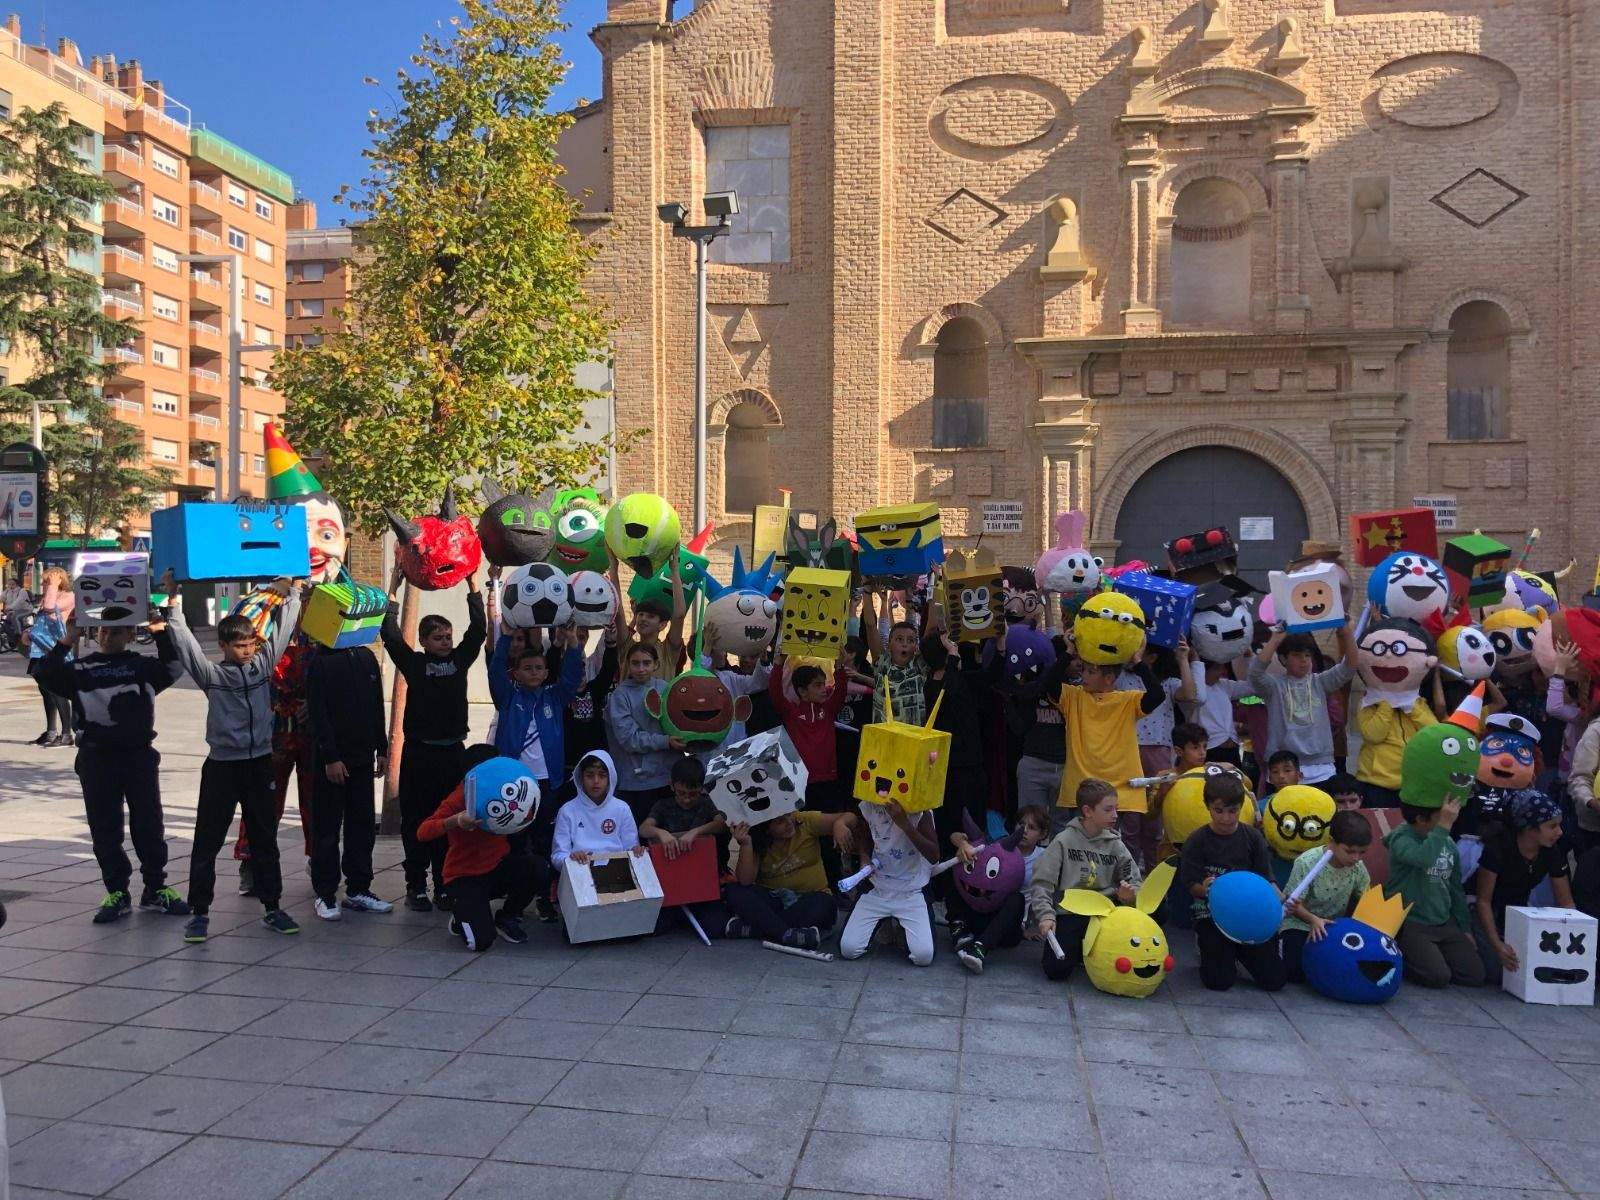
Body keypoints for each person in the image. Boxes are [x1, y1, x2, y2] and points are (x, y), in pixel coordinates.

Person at [164, 574, 304, 942]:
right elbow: (185, 645)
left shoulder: (262, 667)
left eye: (251, 644)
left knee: (265, 839)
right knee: (207, 840)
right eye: (240, 645)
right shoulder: (211, 675)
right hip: (222, 767)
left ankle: (272, 907)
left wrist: (293, 592)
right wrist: (173, 599)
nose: (247, 651)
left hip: (259, 764)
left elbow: (283, 630)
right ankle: (199, 913)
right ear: (224, 645)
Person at [37, 608, 189, 923]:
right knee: (105, 827)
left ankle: (155, 889)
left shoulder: (143, 667)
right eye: (103, 630)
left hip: (138, 756)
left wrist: (160, 629)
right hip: (96, 758)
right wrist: (68, 638)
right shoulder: (80, 669)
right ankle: (117, 890)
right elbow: (45, 674)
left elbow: (174, 666)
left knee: (149, 824)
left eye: (116, 631)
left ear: (131, 634)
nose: (108, 636)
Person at [381, 566, 486, 913]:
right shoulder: (414, 664)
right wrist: (393, 591)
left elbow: (479, 630)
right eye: (438, 637)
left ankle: (444, 884)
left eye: (447, 636)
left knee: (448, 821)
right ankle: (416, 886)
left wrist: (473, 585)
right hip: (419, 755)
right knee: (416, 821)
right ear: (424, 641)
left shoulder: (459, 660)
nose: (445, 641)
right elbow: (391, 636)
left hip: (452, 754)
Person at [417, 746, 540, 952]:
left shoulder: (503, 791)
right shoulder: (460, 796)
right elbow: (423, 832)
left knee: (537, 868)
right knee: (480, 942)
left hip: (496, 867)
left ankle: (507, 916)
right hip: (464, 876)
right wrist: (455, 820)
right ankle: (460, 916)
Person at [306, 637, 391, 921]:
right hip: (333, 760)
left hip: (363, 757)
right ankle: (325, 892)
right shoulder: (320, 662)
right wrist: (330, 756)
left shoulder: (366, 657)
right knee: (328, 827)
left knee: (362, 823)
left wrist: (382, 747)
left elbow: (376, 704)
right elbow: (318, 714)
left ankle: (358, 888)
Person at [1178, 769, 1286, 992]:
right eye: (1219, 811)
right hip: (1210, 913)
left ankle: (1240, 952)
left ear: (1241, 808)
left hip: (1248, 913)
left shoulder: (1253, 837)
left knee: (1275, 981)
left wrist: (1278, 895)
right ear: (1208, 806)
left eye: (1232, 811)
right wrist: (1203, 888)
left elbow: (1265, 877)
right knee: (1218, 982)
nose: (1225, 818)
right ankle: (1214, 950)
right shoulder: (1197, 840)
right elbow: (1189, 882)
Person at [1055, 657, 1166, 865]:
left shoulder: (1128, 700)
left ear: (1109, 678)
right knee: (1079, 850)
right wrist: (1066, 651)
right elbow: (1049, 686)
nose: (1084, 676)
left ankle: (1109, 893)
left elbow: (1157, 695)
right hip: (1081, 789)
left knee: (1106, 849)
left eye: (1091, 672)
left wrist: (1137, 662)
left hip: (1117, 789)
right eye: (1084, 670)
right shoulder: (1073, 696)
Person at [1030, 782, 1141, 982]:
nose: (1115, 815)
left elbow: (1134, 882)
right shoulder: (1063, 841)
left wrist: (1130, 898)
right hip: (1071, 913)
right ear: (1088, 811)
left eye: (1116, 808)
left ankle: (1089, 951)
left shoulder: (1116, 845)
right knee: (1056, 970)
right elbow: (1042, 883)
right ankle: (1081, 950)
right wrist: (1046, 916)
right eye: (1108, 809)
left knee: (1160, 912)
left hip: (1106, 913)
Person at [1384, 795, 1485, 988]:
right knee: (1438, 977)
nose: (1450, 819)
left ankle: (1431, 956)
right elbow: (1424, 858)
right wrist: (1443, 826)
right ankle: (1402, 954)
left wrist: (1465, 928)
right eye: (1443, 815)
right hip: (1412, 922)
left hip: (1442, 921)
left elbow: (1455, 889)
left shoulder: (1447, 843)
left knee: (1474, 975)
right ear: (1421, 819)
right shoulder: (1402, 838)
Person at [1473, 791, 1574, 985]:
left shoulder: (1551, 852)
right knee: (1497, 973)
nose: (1559, 832)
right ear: (1529, 828)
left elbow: (1566, 902)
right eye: (1552, 826)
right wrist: (1497, 945)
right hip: (1486, 912)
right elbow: (1483, 901)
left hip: (1519, 912)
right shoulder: (1498, 848)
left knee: (1529, 969)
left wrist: (1569, 946)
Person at [724, 809, 861, 950]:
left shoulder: (804, 821)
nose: (789, 823)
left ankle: (758, 929)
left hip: (808, 899)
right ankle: (786, 934)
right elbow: (746, 880)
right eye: (780, 822)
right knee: (735, 890)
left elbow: (852, 817)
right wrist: (746, 844)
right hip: (775, 900)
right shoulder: (758, 840)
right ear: (767, 830)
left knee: (826, 904)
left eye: (788, 815)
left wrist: (840, 823)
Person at [949, 803, 1052, 974]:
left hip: (1009, 927)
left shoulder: (1043, 857)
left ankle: (980, 948)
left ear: (1042, 834)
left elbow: (1045, 891)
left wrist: (1032, 926)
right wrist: (962, 843)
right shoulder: (999, 847)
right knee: (960, 871)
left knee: (1016, 897)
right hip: (982, 913)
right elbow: (955, 836)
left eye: (1032, 828)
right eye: (1021, 824)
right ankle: (958, 928)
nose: (1024, 830)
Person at [1248, 625, 1356, 786]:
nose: (1304, 660)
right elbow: (1255, 673)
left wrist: (1347, 633)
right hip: (1283, 769)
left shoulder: (1320, 682)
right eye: (1297, 655)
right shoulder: (1273, 686)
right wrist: (1275, 639)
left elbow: (1350, 667)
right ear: (1284, 659)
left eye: (1307, 655)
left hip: (1321, 768)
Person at [839, 799, 941, 966]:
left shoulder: (921, 811)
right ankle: (883, 924)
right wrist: (865, 858)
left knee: (923, 956)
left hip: (911, 890)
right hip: (878, 887)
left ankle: (902, 927)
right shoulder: (870, 804)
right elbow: (864, 836)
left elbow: (934, 854)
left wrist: (905, 824)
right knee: (849, 949)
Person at [1278, 810, 1372, 981]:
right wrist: (1313, 919)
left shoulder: (1358, 867)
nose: (1356, 858)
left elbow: (1366, 898)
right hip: (1300, 923)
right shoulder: (1307, 862)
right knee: (1293, 971)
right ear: (1332, 842)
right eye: (1350, 851)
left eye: (1362, 852)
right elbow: (1293, 903)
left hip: (1333, 928)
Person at [768, 652, 851, 812]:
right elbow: (775, 693)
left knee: (828, 827)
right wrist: (779, 663)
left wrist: (839, 666)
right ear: (803, 691)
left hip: (829, 778)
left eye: (824, 683)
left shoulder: (828, 710)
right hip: (801, 780)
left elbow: (840, 691)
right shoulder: (791, 712)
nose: (824, 689)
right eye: (817, 685)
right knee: (805, 827)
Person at [551, 750, 641, 872]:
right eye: (589, 775)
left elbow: (631, 849)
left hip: (618, 873)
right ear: (580, 778)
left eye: (602, 775)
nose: (596, 781)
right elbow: (557, 856)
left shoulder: (622, 808)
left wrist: (637, 851)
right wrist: (571, 859)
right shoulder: (567, 810)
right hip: (580, 872)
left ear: (610, 778)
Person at [639, 755, 727, 863]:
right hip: (672, 862)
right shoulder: (663, 805)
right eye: (681, 793)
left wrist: (696, 831)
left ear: (702, 787)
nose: (687, 799)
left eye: (693, 794)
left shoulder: (707, 802)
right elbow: (643, 829)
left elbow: (722, 824)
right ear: (671, 785)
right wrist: (661, 833)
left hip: (703, 861)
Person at [24, 566, 73, 746]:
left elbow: (50, 609)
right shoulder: (48, 596)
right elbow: (40, 621)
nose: (44, 585)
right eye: (44, 582)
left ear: (59, 581)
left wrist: (53, 586)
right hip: (40, 649)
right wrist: (28, 632)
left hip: (56, 649)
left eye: (47, 581)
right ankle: (51, 731)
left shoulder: (68, 597)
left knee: (58, 692)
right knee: (46, 692)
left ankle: (67, 733)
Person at [863, 590, 928, 726]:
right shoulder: (883, 664)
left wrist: (935, 584)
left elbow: (930, 629)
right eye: (899, 639)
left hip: (914, 741)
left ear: (915, 646)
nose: (905, 643)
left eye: (910, 641)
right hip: (885, 741)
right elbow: (870, 626)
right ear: (889, 644)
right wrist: (867, 591)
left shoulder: (919, 665)